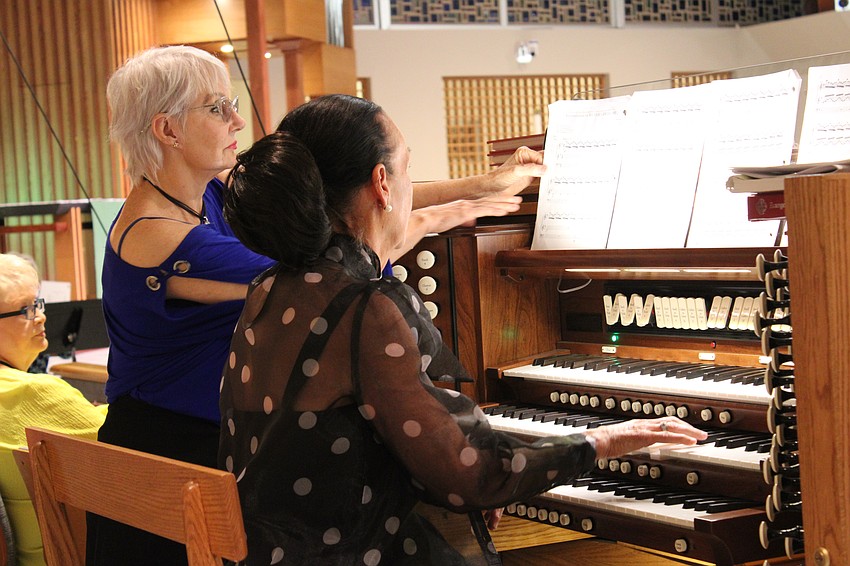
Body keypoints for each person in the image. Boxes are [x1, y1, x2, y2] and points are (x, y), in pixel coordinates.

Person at [92, 45, 547, 564]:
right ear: (167, 130)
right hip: (172, 467)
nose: (237, 119)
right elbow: (332, 267)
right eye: (217, 108)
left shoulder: (207, 195)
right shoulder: (158, 237)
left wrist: (483, 184)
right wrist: (452, 213)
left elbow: (357, 194)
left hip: (227, 444)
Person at [218, 94, 707, 565]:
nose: (411, 185)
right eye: (409, 168)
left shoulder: (271, 287)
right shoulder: (363, 307)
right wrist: (603, 441)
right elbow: (471, 476)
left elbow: (345, 442)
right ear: (383, 184)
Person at [0, 253, 108, 566]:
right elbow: (122, 433)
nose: (41, 316)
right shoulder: (33, 392)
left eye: (39, 303)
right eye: (27, 309)